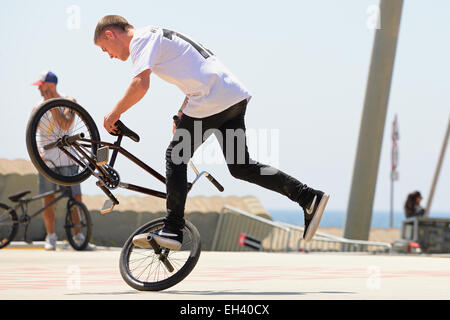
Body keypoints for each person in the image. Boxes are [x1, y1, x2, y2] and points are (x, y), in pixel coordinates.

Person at [94, 15, 330, 250]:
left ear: (110, 34)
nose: (110, 56)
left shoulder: (140, 41)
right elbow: (194, 72)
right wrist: (180, 114)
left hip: (211, 99)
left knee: (175, 157)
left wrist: (114, 114)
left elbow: (140, 84)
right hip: (231, 96)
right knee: (241, 166)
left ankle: (173, 229)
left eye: (106, 49)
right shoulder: (155, 35)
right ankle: (307, 197)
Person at [32, 71, 86, 250]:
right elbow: (33, 135)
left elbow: (65, 125)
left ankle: (78, 236)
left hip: (69, 160)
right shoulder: (36, 107)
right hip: (47, 161)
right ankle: (51, 236)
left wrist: (52, 104)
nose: (39, 88)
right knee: (48, 199)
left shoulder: (69, 102)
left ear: (51, 85)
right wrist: (38, 153)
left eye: (41, 85)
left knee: (75, 199)